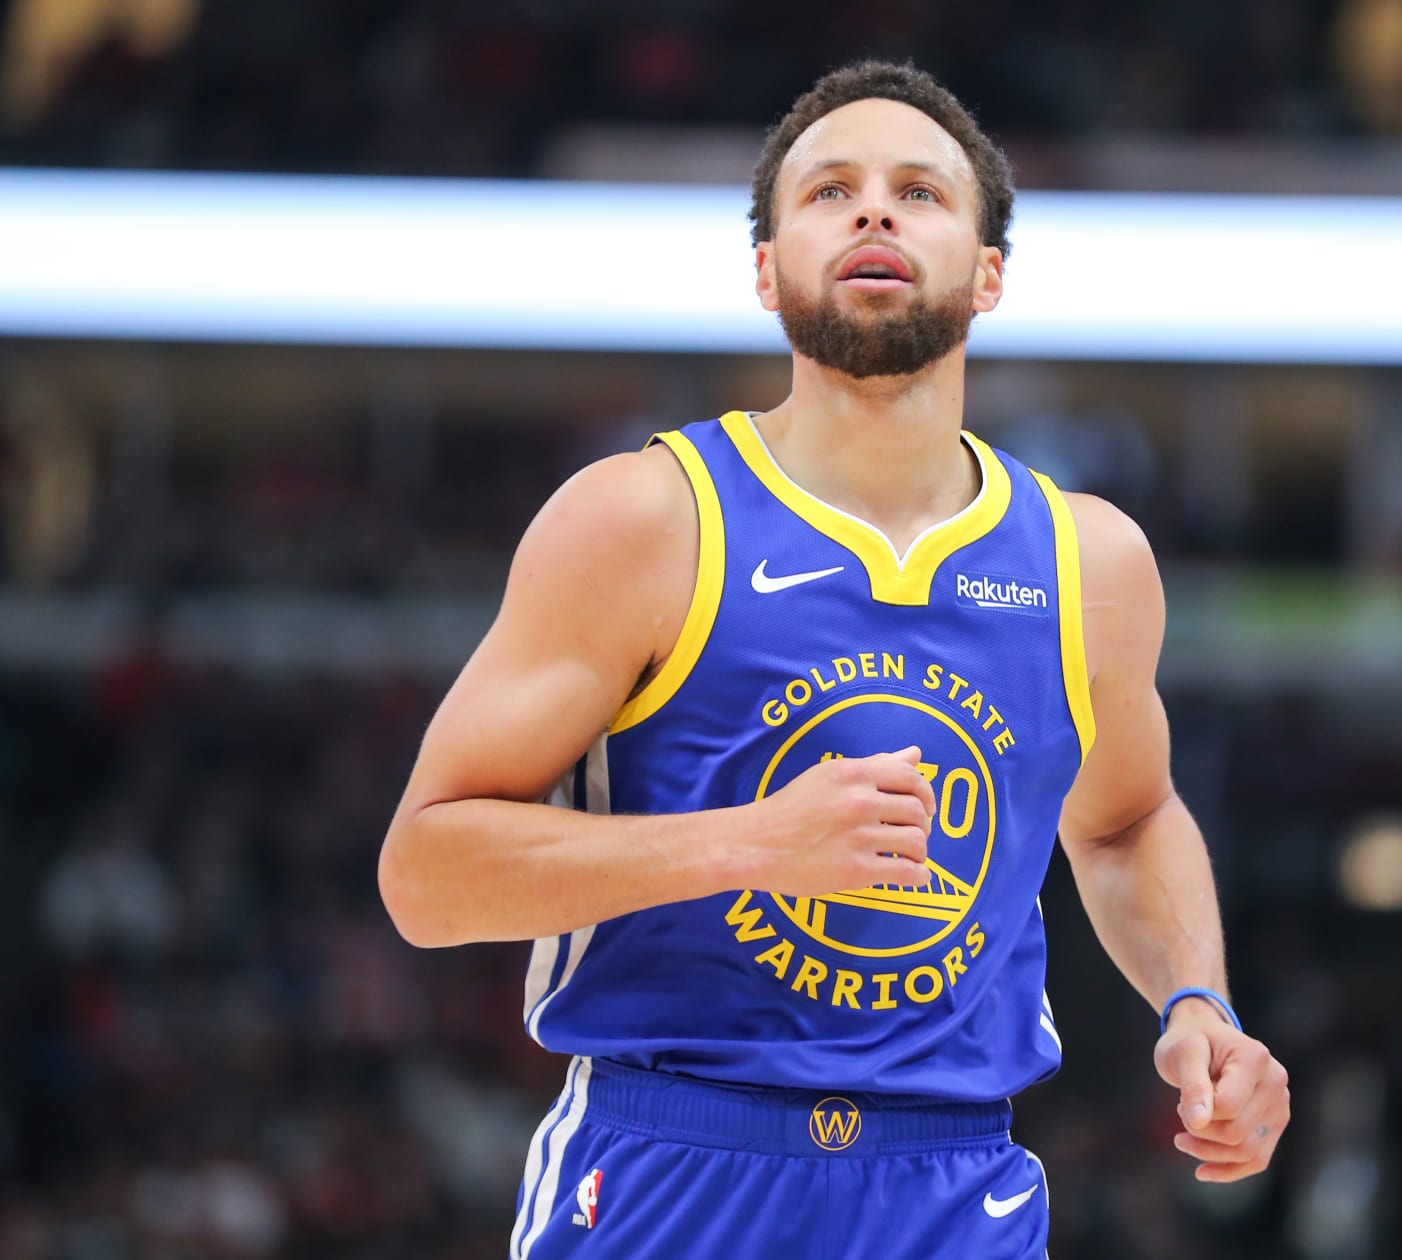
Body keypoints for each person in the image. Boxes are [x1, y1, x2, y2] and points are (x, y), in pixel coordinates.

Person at [378, 59, 1290, 1260]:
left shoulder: (1090, 563)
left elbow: (1122, 823)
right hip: (671, 1170)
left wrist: (1197, 1002)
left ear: (989, 274)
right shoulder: (645, 522)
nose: (873, 212)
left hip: (954, 1181)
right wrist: (751, 843)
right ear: (766, 270)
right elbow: (426, 874)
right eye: (829, 192)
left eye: (920, 192)